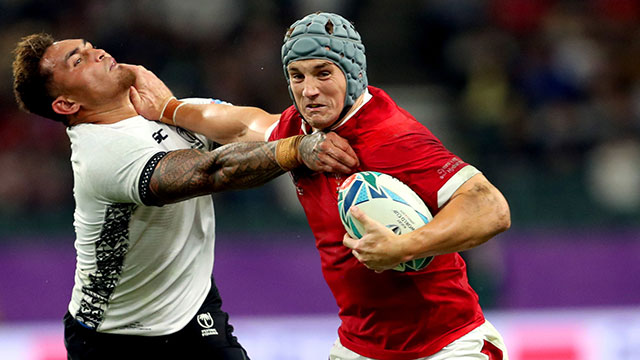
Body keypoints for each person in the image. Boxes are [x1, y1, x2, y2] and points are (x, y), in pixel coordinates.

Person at [131, 12, 512, 360]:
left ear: (354, 74)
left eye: (323, 73)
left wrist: (402, 247)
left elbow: (491, 208)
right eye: (297, 76)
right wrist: (169, 109)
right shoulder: (300, 129)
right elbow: (243, 124)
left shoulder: (393, 136)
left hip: (446, 345)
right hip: (358, 347)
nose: (309, 90)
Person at [11, 33, 359, 360]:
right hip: (115, 339)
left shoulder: (162, 109)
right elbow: (210, 172)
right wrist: (298, 149)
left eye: (90, 46)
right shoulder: (100, 153)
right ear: (66, 103)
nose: (97, 53)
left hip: (193, 312)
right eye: (78, 60)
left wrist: (329, 127)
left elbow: (247, 128)